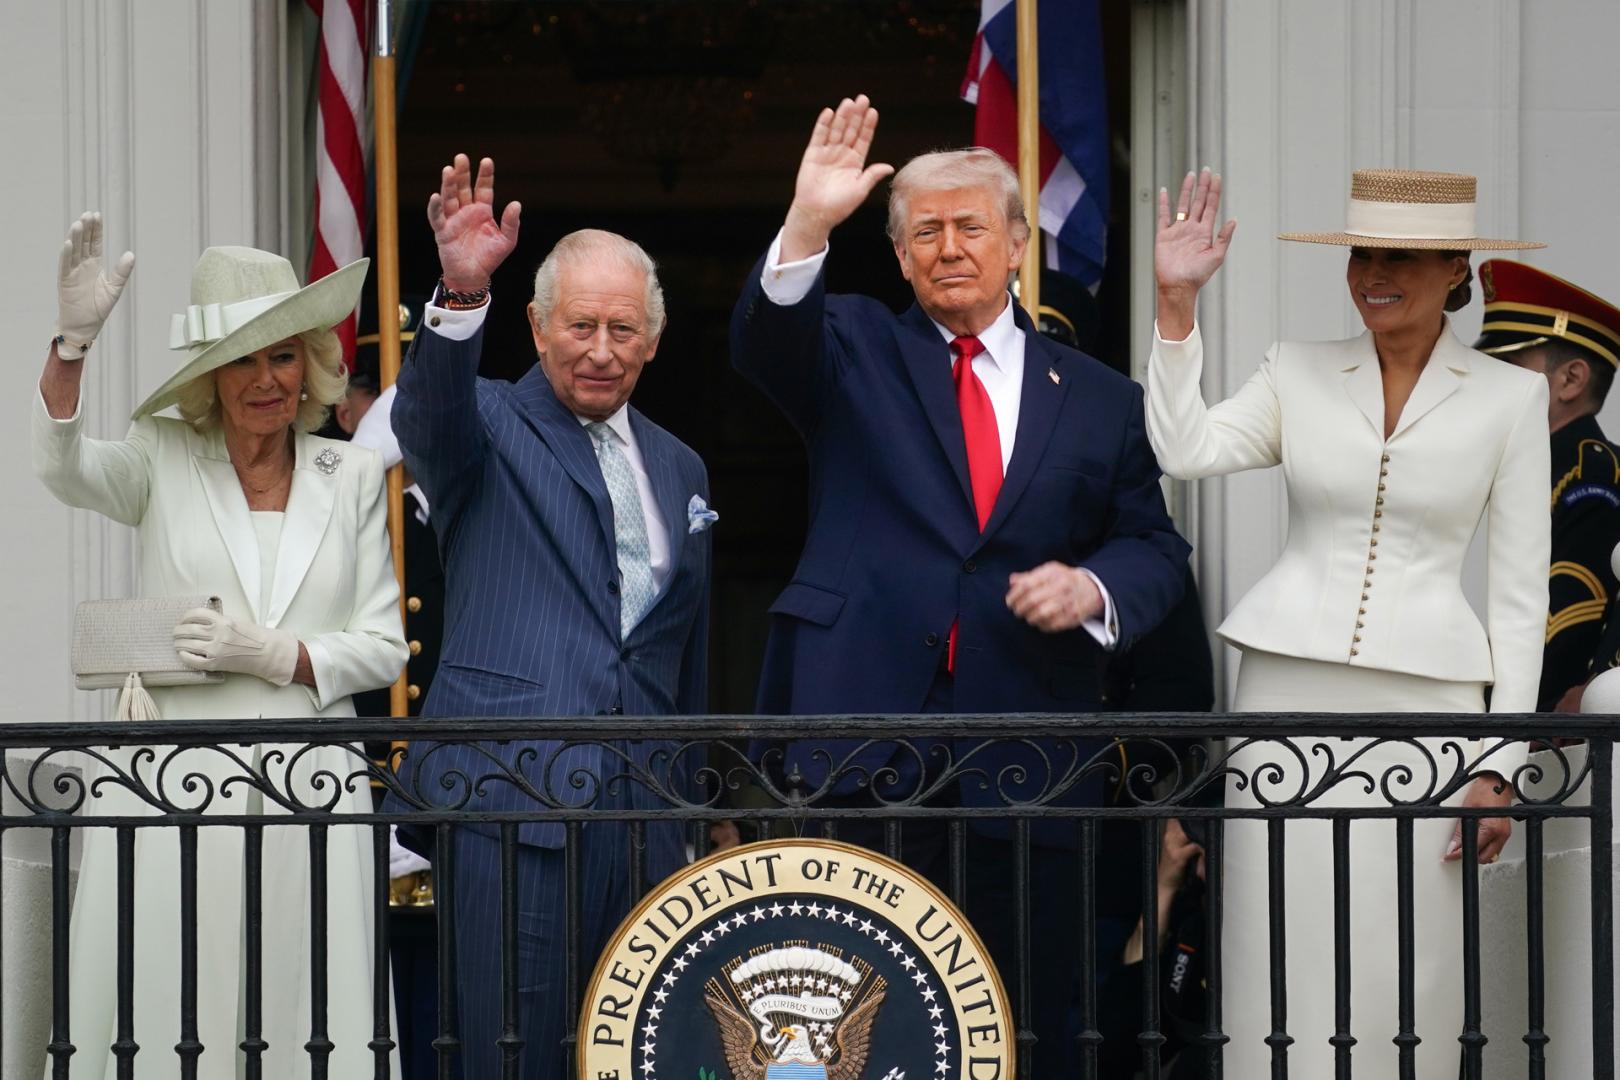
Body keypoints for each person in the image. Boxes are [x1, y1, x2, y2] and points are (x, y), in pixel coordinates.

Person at [731, 96, 1189, 1076]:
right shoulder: (853, 346)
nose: (948, 248)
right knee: (850, 1016)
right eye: (925, 232)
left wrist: (1094, 588)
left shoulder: (1102, 400)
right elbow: (766, 344)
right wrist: (809, 221)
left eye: (971, 226)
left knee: (1026, 1016)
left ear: (1018, 243)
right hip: (864, 743)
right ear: (897, 258)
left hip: (1028, 746)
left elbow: (1155, 547)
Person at [1146, 167, 1549, 1078]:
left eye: (1403, 256)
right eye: (1365, 252)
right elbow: (1185, 448)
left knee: (1416, 965)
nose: (1377, 271)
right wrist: (1176, 305)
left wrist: (1502, 767)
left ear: (1458, 270)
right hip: (1285, 696)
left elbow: (1524, 597)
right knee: (1273, 948)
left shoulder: (1509, 399)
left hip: (1436, 711)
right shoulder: (1295, 368)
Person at [33, 213, 407, 1078]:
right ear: (210, 376)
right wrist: (71, 349)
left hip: (311, 777)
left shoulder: (347, 474)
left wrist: (279, 656)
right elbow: (64, 470)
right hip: (173, 773)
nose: (266, 379)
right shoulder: (162, 455)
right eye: (242, 357)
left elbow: (382, 643)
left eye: (282, 355)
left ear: (309, 363)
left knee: (306, 999)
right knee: (167, 995)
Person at [391, 155, 711, 1080]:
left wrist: (691, 803)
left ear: (652, 340)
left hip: (645, 817)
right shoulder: (486, 424)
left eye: (622, 328)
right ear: (535, 327)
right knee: (509, 1052)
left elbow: (674, 645)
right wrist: (458, 291)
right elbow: (430, 415)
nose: (600, 349)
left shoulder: (682, 466)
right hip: (510, 799)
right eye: (580, 325)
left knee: (639, 1048)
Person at [1472, 260, 1620, 712]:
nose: (1485, 383)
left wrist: (1498, 727)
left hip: (1555, 743)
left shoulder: (1587, 477)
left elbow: (1564, 628)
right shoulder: (1543, 465)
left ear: (1571, 380)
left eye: (1508, 366)